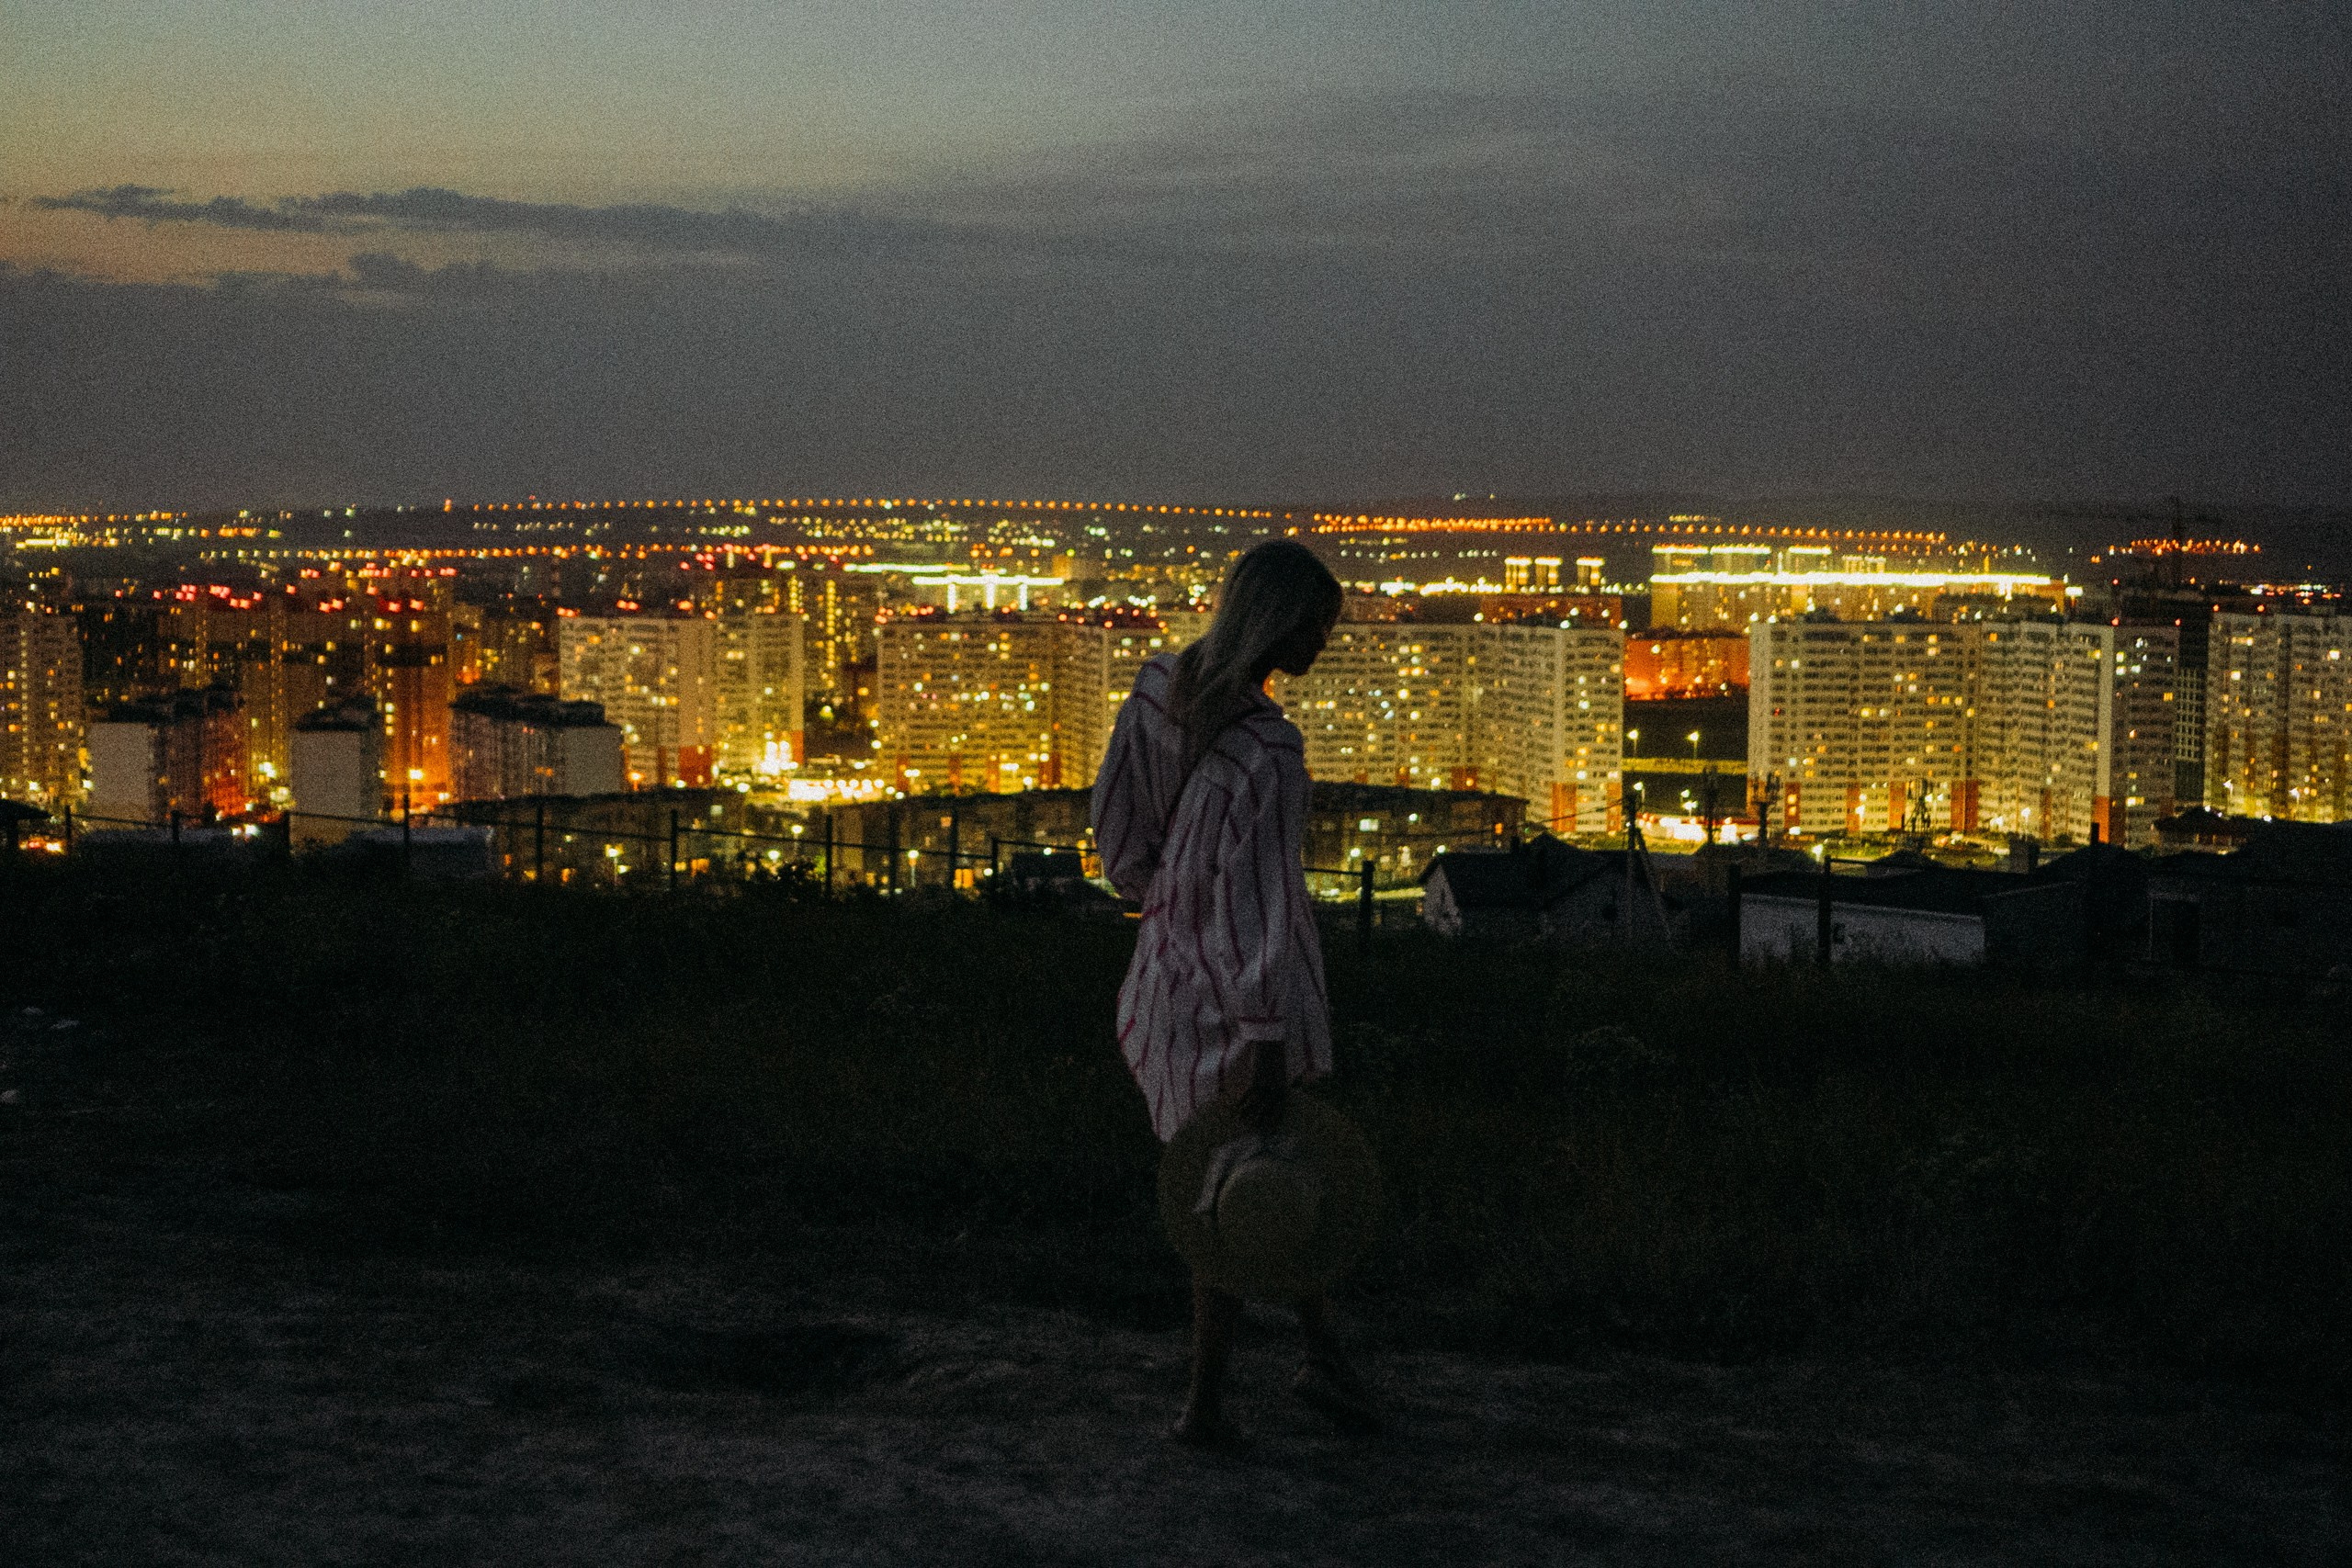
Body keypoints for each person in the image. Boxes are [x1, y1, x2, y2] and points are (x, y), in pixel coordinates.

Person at [1091, 538, 1378, 1447]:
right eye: (1316, 626)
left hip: (1166, 979)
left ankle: (1324, 1365)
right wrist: (1262, 1030)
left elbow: (1118, 826)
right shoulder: (1267, 750)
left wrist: (1157, 899)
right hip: (1232, 1004)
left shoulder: (1154, 695)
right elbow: (1259, 901)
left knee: (1253, 1185)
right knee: (1233, 1196)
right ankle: (1205, 1410)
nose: (1322, 644)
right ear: (1277, 620)